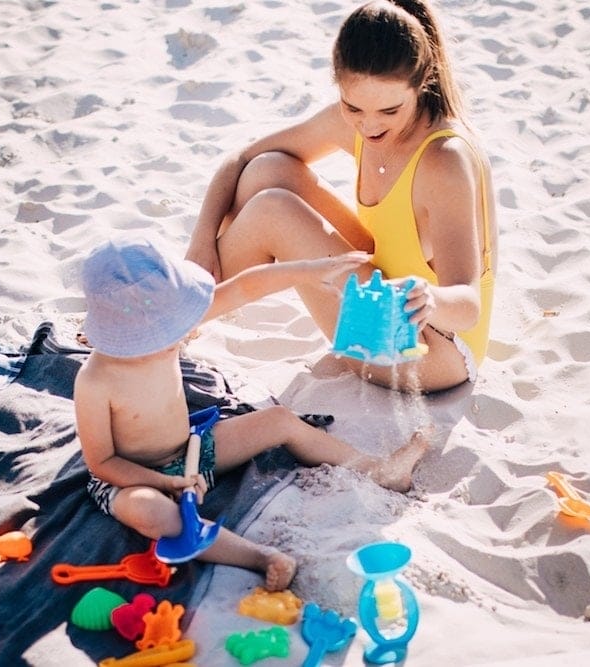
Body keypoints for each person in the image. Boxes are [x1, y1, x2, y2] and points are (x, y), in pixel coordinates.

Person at [74, 236, 430, 591]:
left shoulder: (169, 329)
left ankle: (382, 471)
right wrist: (167, 483)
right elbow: (102, 463)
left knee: (278, 421)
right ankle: (259, 557)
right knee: (154, 514)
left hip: (191, 452)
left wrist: (309, 270)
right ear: (120, 334)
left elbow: (245, 288)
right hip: (129, 478)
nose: (176, 335)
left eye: (174, 323)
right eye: (162, 331)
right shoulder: (95, 381)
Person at [186, 0, 497, 393]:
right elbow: (241, 158)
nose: (369, 125)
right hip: (379, 287)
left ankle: (170, 321)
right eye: (354, 107)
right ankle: (189, 301)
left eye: (389, 110)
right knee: (268, 170)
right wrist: (201, 240)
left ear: (423, 83)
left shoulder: (443, 161)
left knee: (272, 212)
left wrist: (430, 298)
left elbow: (468, 305)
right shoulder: (352, 121)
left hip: (432, 346)